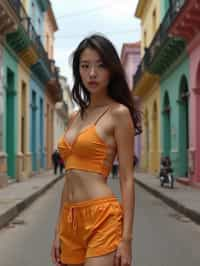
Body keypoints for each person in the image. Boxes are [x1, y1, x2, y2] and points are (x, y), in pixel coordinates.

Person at [51, 34, 142, 266]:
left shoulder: (118, 113)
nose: (92, 73)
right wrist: (57, 231)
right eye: (85, 66)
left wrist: (127, 239)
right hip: (69, 221)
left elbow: (126, 179)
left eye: (100, 65)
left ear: (111, 70)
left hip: (102, 217)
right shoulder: (73, 117)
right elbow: (69, 177)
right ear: (78, 71)